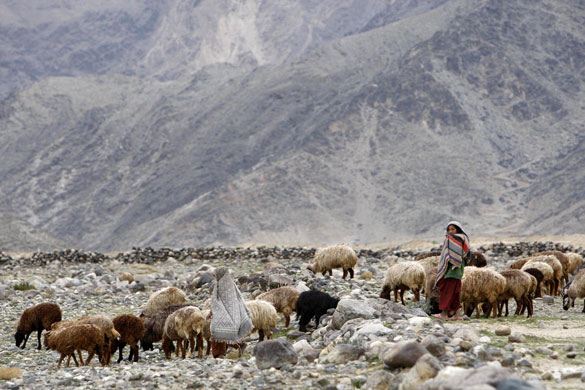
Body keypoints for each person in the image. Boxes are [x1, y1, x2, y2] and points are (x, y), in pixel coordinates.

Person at [210, 266, 253, 357]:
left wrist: (212, 312)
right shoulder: (231, 284)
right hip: (233, 315)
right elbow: (239, 298)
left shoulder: (219, 285)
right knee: (225, 333)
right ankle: (239, 346)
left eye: (215, 274)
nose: (214, 277)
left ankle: (219, 354)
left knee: (216, 331)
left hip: (223, 314)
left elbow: (215, 301)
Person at [433, 221, 470, 321]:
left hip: (452, 269)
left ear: (458, 229)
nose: (450, 231)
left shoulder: (453, 239)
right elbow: (466, 255)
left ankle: (444, 314)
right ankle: (457, 315)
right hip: (458, 270)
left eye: (453, 229)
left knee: (447, 290)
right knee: (455, 292)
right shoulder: (464, 239)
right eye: (449, 229)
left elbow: (453, 255)